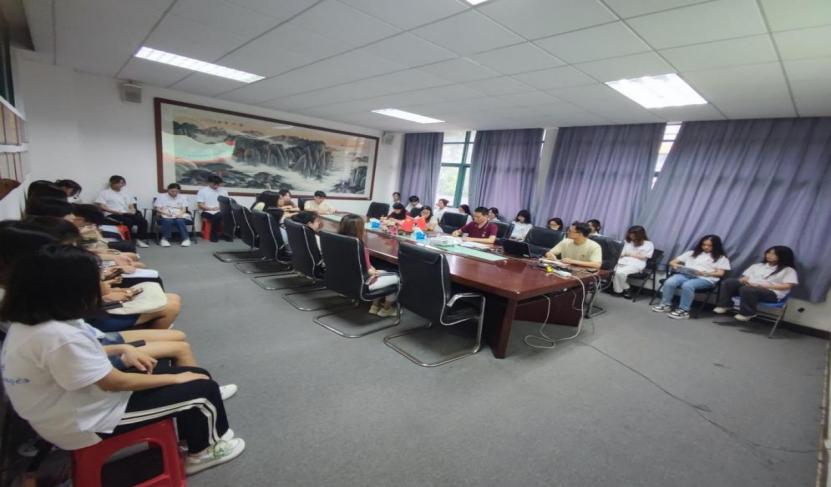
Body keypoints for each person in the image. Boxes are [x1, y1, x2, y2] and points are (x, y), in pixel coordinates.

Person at [0, 245, 245, 474]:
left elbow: (86, 356)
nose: (100, 285)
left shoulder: (36, 323)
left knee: (196, 376)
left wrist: (120, 349)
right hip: (85, 421)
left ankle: (192, 434)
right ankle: (203, 452)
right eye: (94, 280)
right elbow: (114, 383)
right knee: (203, 390)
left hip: (75, 406)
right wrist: (175, 379)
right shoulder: (58, 336)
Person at [652, 235, 730, 320]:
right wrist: (676, 265)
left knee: (687, 285)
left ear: (716, 246)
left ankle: (684, 310)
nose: (706, 247)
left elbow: (720, 273)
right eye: (704, 245)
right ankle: (665, 305)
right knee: (670, 282)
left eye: (709, 245)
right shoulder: (691, 253)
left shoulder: (721, 258)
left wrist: (705, 273)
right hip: (687, 275)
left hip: (705, 279)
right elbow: (672, 262)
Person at [713, 246, 798, 321]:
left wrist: (761, 285)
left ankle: (748, 313)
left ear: (783, 256)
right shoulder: (758, 266)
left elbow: (787, 286)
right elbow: (746, 277)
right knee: (729, 282)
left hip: (772, 293)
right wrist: (744, 280)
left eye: (774, 254)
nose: (769, 255)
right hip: (749, 288)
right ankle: (725, 305)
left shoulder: (788, 270)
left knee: (747, 289)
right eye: (768, 252)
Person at [338, 214, 398, 317]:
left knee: (381, 271)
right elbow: (369, 271)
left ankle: (374, 306)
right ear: (359, 229)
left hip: (344, 279)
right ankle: (386, 309)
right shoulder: (359, 246)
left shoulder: (337, 240)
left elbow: (365, 265)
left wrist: (372, 269)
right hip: (362, 282)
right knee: (397, 277)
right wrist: (373, 271)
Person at [95, 175, 149, 248]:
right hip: (112, 214)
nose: (121, 185)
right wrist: (114, 211)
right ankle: (127, 240)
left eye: (123, 183)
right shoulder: (104, 193)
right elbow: (101, 206)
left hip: (125, 213)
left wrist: (133, 210)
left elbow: (131, 204)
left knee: (143, 221)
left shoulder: (126, 193)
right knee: (128, 222)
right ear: (112, 183)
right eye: (119, 183)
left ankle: (139, 239)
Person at [612, 225, 655, 298]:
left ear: (640, 235)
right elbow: (621, 253)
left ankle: (620, 290)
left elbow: (644, 257)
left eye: (633, 235)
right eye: (630, 234)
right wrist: (634, 254)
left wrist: (629, 254)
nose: (631, 236)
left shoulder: (648, 244)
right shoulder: (627, 242)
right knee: (613, 271)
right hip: (623, 261)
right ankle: (626, 288)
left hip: (637, 263)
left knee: (620, 273)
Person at [154, 183, 192, 247]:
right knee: (168, 220)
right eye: (172, 191)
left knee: (180, 220)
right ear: (168, 190)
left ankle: (186, 239)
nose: (174, 193)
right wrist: (166, 213)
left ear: (179, 191)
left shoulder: (183, 197)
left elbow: (184, 209)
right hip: (166, 213)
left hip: (178, 214)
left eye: (176, 191)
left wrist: (180, 214)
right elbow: (157, 209)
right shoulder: (161, 197)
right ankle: (165, 239)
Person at [196, 175, 228, 242]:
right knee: (218, 216)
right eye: (214, 184)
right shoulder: (202, 191)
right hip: (206, 211)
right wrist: (211, 209)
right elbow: (200, 205)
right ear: (209, 182)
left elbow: (227, 202)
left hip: (220, 210)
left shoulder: (223, 191)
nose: (216, 186)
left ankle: (227, 234)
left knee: (227, 214)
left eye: (218, 184)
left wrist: (220, 207)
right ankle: (214, 235)